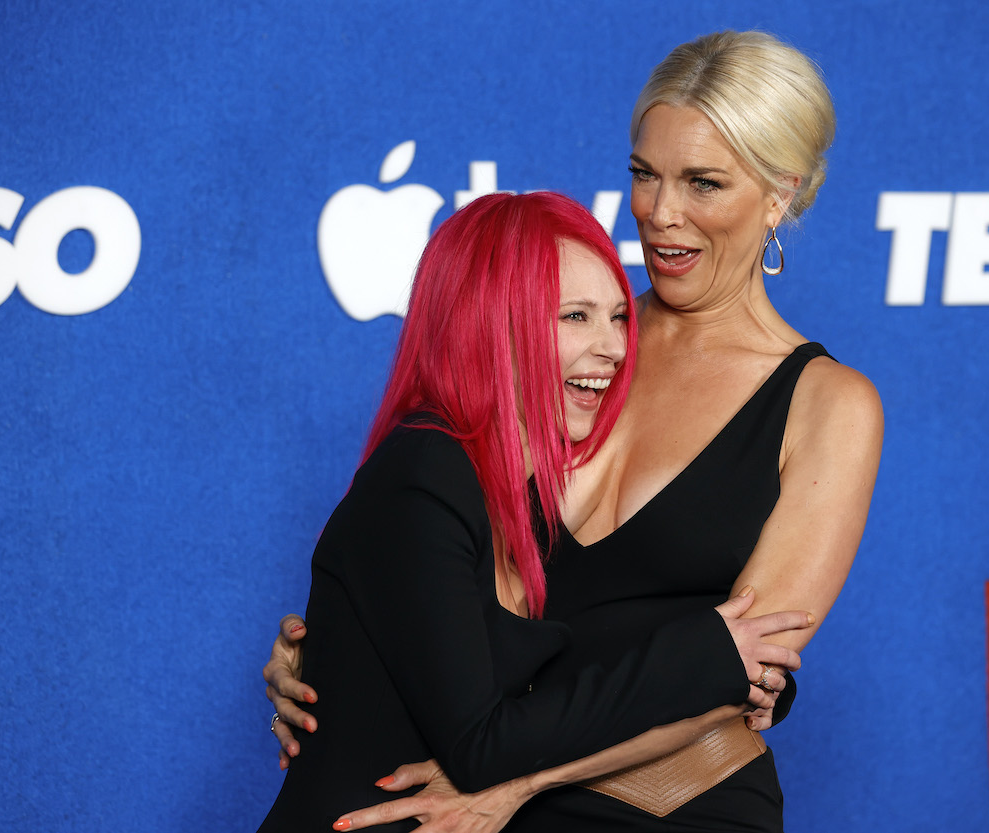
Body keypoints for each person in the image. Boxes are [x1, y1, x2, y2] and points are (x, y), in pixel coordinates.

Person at [266, 30, 883, 832]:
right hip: (479, 780)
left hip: (664, 801)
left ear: (780, 195)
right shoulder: (570, 332)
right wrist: (328, 668)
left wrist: (515, 782)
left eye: (703, 183)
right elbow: (421, 554)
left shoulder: (827, 404)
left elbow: (737, 665)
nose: (662, 213)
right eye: (644, 174)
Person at [255, 190, 812, 833]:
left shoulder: (525, 496)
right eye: (575, 316)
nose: (613, 348)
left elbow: (560, 670)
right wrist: (703, 660)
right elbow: (480, 744)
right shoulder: (425, 475)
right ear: (488, 323)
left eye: (617, 318)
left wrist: (742, 679)